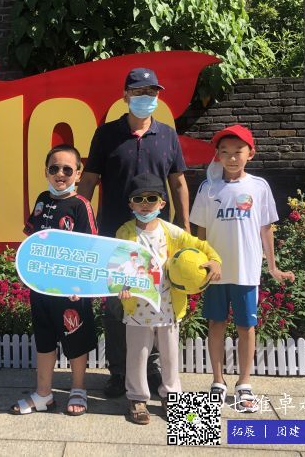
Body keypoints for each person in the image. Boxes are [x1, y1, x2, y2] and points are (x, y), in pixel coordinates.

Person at [78, 67, 190, 398]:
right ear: (126, 95)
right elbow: (89, 180)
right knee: (118, 304)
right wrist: (82, 223)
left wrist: (184, 227)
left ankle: (151, 373)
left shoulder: (167, 135)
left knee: (156, 303)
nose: (146, 98)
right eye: (139, 92)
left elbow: (178, 183)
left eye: (152, 92)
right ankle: (119, 372)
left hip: (157, 238)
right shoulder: (106, 135)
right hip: (116, 235)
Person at [189, 125, 295, 412]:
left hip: (247, 271)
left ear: (251, 154)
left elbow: (266, 229)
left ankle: (244, 384)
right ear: (218, 156)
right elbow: (200, 232)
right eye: (225, 152)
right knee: (216, 324)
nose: (232, 158)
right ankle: (217, 381)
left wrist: (273, 266)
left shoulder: (259, 187)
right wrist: (201, 264)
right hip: (216, 272)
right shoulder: (209, 188)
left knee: (246, 326)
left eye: (238, 152)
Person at [115, 172, 221, 424]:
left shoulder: (172, 232)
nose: (145, 204)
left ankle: (171, 395)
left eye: (151, 198)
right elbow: (118, 264)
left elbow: (201, 245)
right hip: (137, 306)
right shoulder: (124, 232)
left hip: (168, 305)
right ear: (130, 204)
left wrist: (215, 260)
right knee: (137, 354)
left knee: (170, 355)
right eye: (138, 199)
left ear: (162, 203)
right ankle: (137, 397)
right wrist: (121, 285)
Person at [10, 144, 98, 416]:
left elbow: (91, 248)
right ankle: (43, 394)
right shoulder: (41, 199)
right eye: (54, 168)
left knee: (76, 340)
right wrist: (27, 270)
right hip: (41, 287)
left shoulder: (81, 205)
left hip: (70, 290)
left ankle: (78, 389)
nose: (60, 174)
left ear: (78, 174)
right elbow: (32, 239)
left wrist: (80, 285)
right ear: (46, 171)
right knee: (44, 339)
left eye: (67, 169)